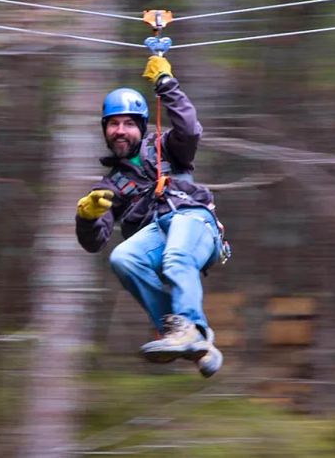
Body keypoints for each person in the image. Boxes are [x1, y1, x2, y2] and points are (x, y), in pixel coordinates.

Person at [75, 55, 229, 378]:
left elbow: (189, 129)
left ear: (142, 127)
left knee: (175, 256)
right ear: (105, 130)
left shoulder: (168, 148)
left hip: (194, 223)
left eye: (128, 123)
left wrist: (167, 85)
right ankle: (186, 334)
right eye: (113, 124)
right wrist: (87, 217)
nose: (120, 131)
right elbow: (96, 242)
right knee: (122, 258)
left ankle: (188, 326)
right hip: (159, 236)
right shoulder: (108, 187)